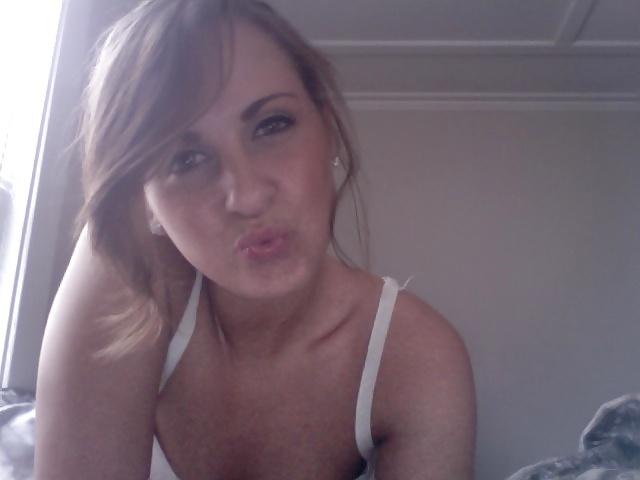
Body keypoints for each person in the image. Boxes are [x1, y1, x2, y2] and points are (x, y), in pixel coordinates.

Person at [34, 1, 476, 478]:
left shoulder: (416, 357)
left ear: (327, 129)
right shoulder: (129, 273)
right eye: (185, 160)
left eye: (271, 125)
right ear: (147, 204)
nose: (246, 197)